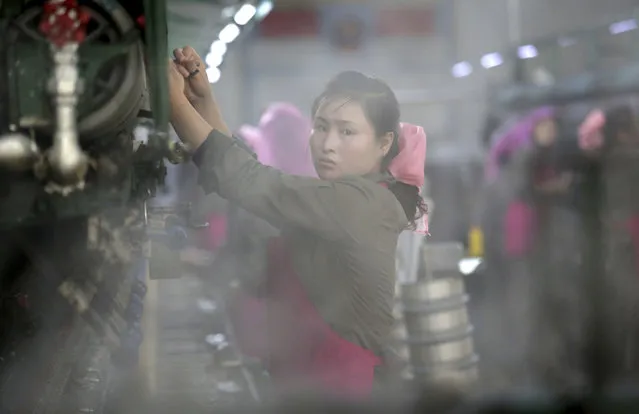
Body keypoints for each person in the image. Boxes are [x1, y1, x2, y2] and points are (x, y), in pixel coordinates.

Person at [168, 47, 427, 398]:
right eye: (321, 127)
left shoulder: (361, 204)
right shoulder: (332, 196)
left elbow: (250, 181)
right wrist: (203, 103)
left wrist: (176, 106)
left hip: (343, 395)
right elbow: (253, 181)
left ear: (384, 144)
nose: (328, 145)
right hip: (305, 386)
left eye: (347, 132)